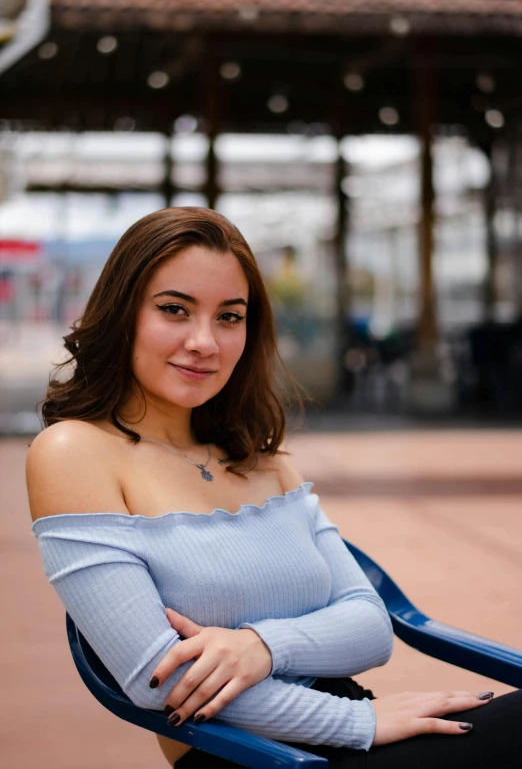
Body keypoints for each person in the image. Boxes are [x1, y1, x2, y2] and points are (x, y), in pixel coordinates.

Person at [27, 207, 522, 769]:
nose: (204, 341)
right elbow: (157, 679)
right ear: (121, 315)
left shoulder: (264, 461)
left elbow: (369, 624)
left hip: (359, 732)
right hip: (254, 754)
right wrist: (358, 722)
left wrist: (262, 646)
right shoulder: (74, 452)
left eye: (229, 317)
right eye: (174, 310)